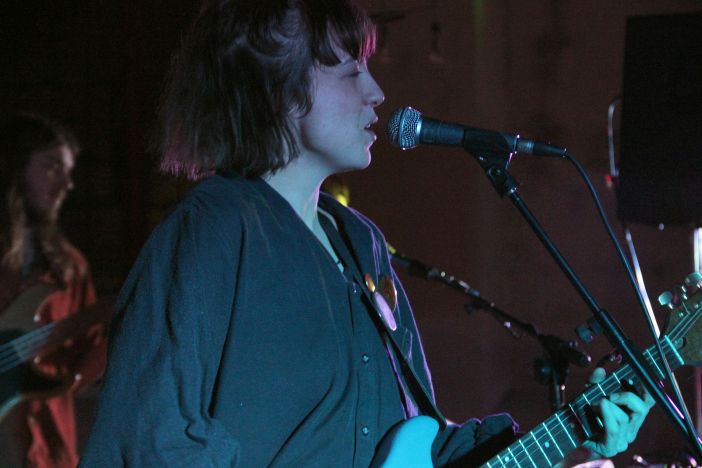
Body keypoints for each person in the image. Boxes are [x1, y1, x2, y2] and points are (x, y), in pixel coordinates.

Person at [80, 1, 653, 466]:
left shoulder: (362, 243)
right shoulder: (212, 232)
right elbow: (151, 440)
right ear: (277, 90)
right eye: (351, 71)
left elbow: (417, 437)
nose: (376, 92)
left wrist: (572, 437)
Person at [0, 114, 107, 467]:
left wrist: (76, 375)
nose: (66, 184)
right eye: (52, 167)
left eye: (68, 171)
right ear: (16, 168)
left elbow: (91, 346)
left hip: (48, 446)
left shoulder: (71, 265)